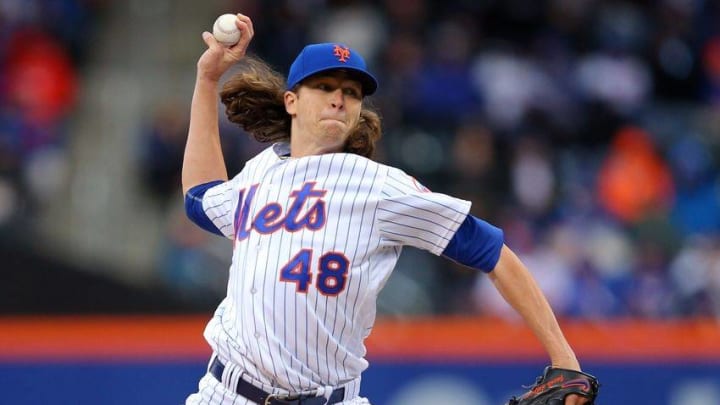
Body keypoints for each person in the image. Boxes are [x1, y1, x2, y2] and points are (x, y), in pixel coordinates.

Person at [182, 13, 590, 405]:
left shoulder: (380, 188)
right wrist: (208, 78)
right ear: (291, 101)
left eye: (351, 93)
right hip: (226, 392)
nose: (339, 99)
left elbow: (491, 251)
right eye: (325, 87)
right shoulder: (261, 170)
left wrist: (564, 358)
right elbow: (201, 198)